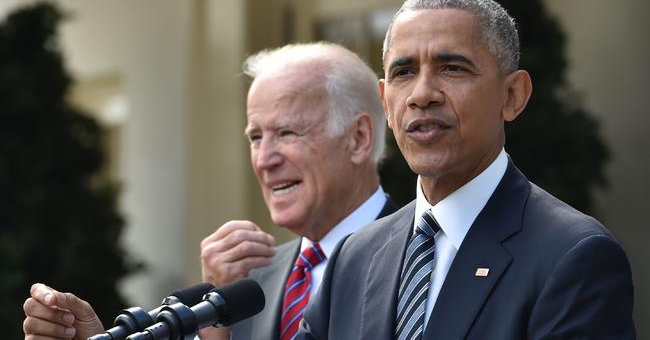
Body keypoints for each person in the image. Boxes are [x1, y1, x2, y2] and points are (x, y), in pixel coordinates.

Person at [298, 0, 636, 340]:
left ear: (512, 95)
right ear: (384, 103)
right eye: (404, 72)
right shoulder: (353, 259)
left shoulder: (573, 257)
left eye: (452, 68)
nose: (422, 94)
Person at [22, 42, 397, 340]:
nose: (264, 160)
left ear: (358, 138)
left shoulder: (421, 260)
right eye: (255, 137)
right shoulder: (246, 283)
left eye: (287, 133)